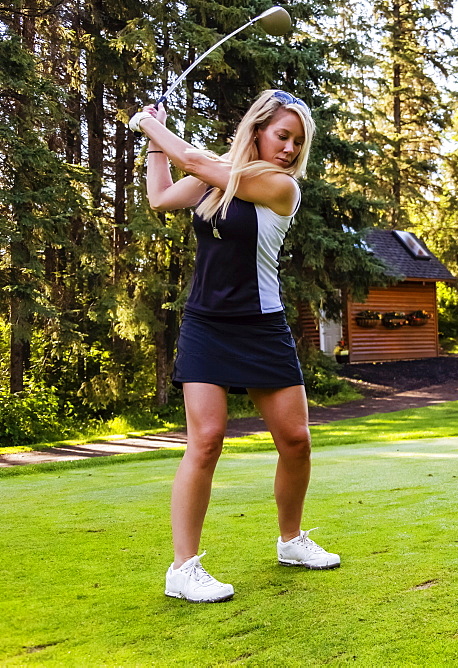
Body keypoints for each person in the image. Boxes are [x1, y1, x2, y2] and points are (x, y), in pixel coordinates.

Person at [128, 90, 340, 604]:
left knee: (296, 440)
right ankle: (183, 569)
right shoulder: (218, 175)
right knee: (207, 438)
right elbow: (160, 197)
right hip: (206, 324)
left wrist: (149, 124)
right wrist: (156, 141)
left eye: (297, 140)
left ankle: (291, 540)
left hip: (262, 326)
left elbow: (194, 158)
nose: (289, 148)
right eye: (281, 135)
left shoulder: (278, 185)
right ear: (258, 130)